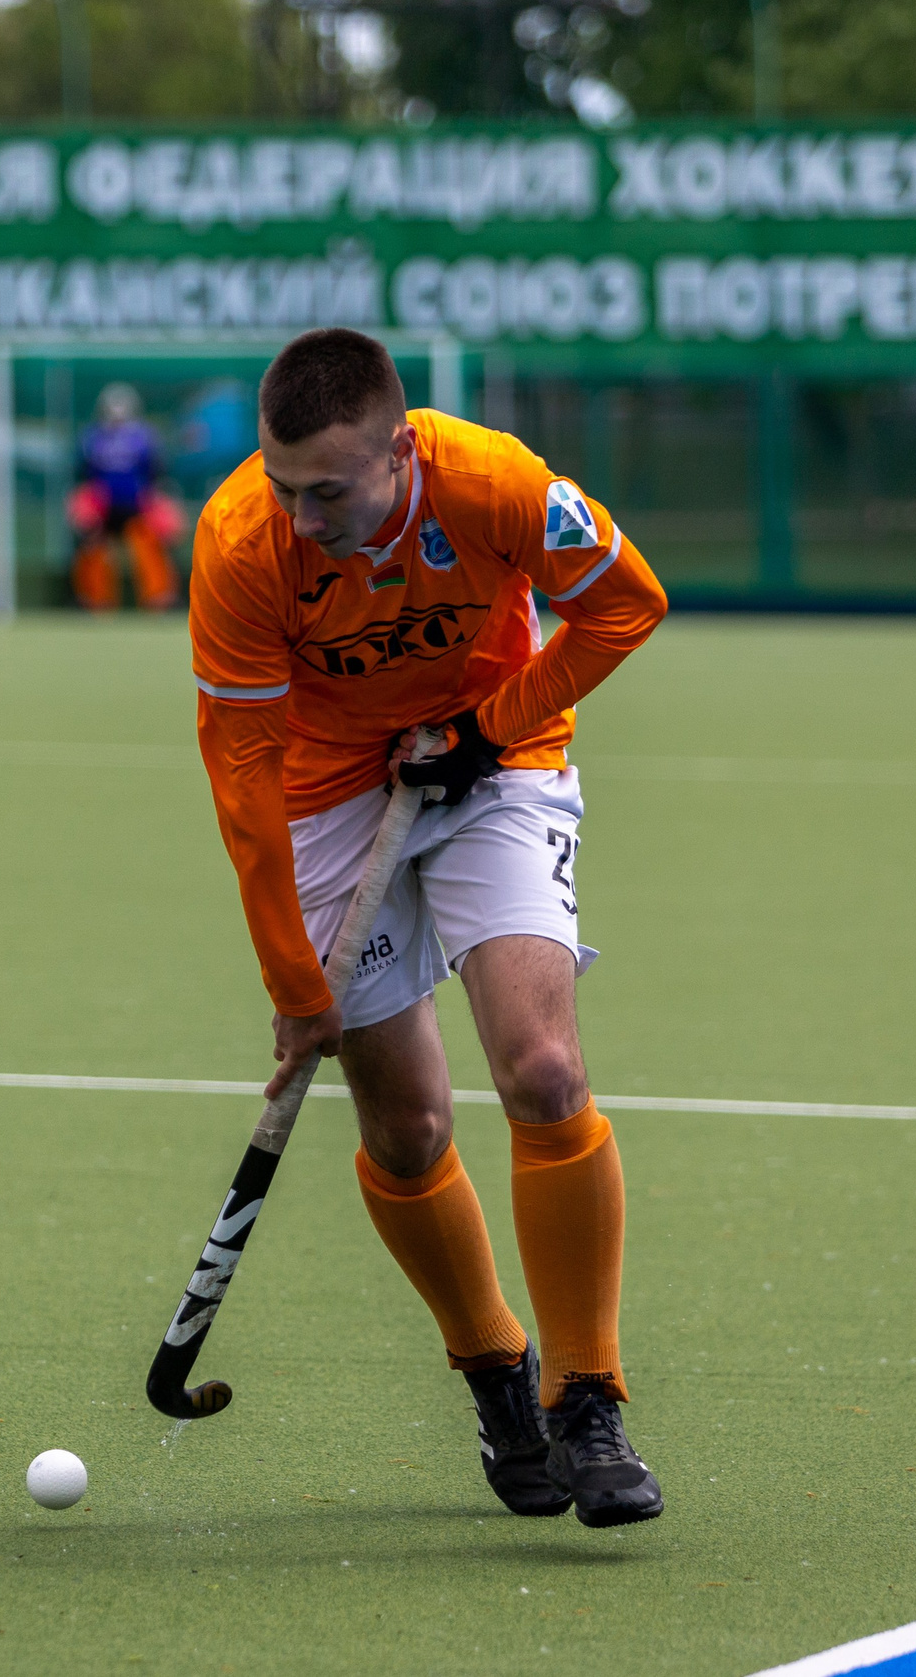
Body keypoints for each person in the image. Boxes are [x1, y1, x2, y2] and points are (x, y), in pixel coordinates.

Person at [186, 328, 670, 1529]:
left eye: (328, 492)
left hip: (494, 753)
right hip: (323, 790)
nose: (302, 518)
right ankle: (494, 1367)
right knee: (406, 1129)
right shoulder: (240, 543)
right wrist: (293, 984)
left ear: (398, 451)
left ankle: (586, 1396)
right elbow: (242, 774)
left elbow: (626, 606)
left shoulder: (494, 483)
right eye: (284, 487)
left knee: (543, 1070)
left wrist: (488, 727)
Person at [69, 382, 181, 612]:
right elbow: (82, 476)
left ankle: (159, 601)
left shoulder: (144, 437)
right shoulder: (92, 437)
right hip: (102, 508)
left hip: (137, 507)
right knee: (93, 549)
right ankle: (95, 602)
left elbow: (157, 474)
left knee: (150, 546)